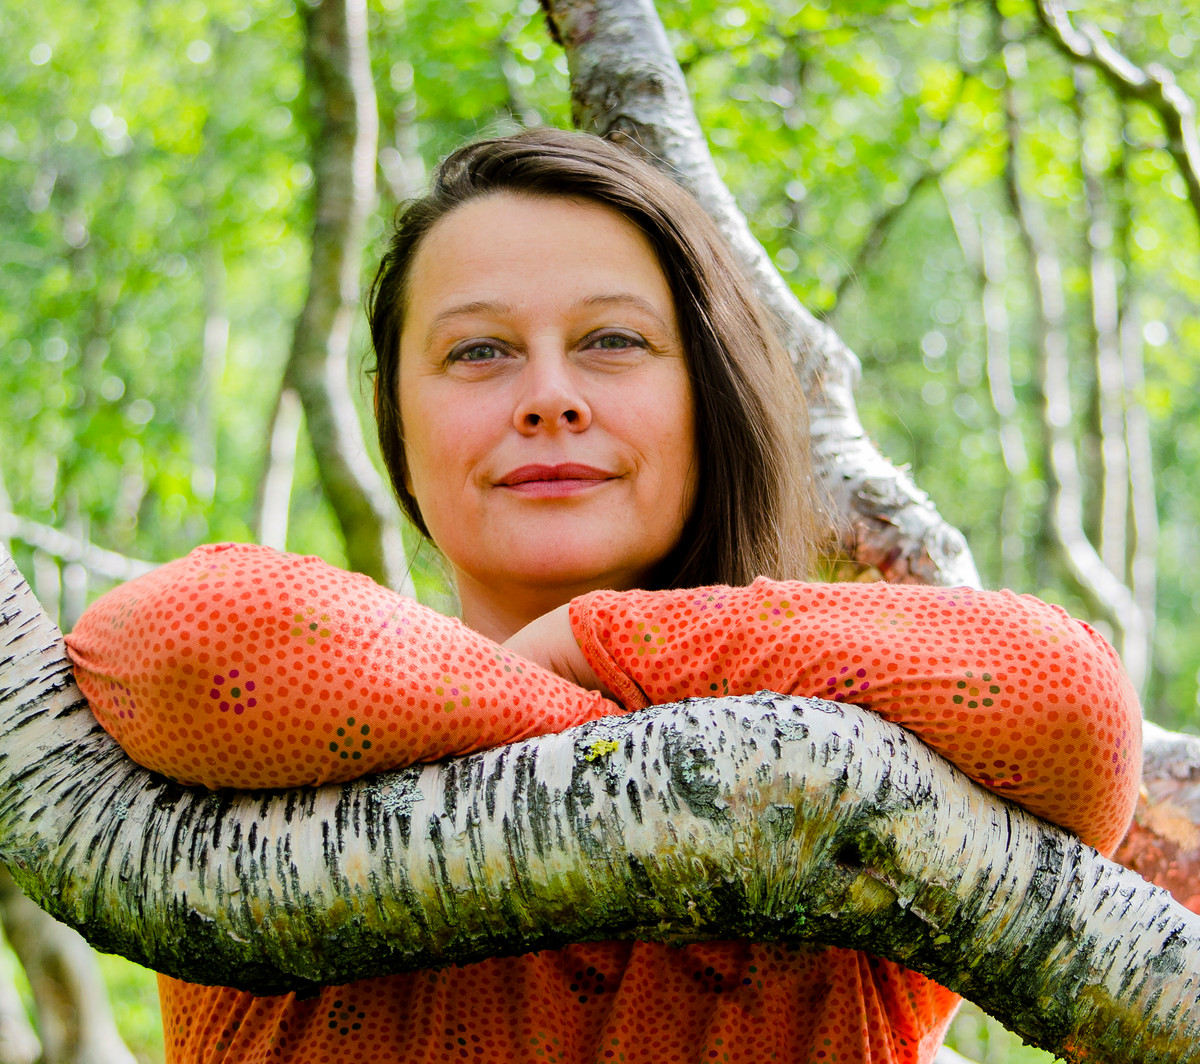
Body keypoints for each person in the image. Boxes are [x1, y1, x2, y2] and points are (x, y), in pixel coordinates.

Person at [64, 128, 1141, 1064]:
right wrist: (579, 702)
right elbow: (188, 644)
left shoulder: (863, 773)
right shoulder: (276, 755)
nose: (549, 398)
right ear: (396, 421)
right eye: (478, 350)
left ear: (708, 391)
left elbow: (1068, 702)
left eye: (612, 341)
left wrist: (590, 640)